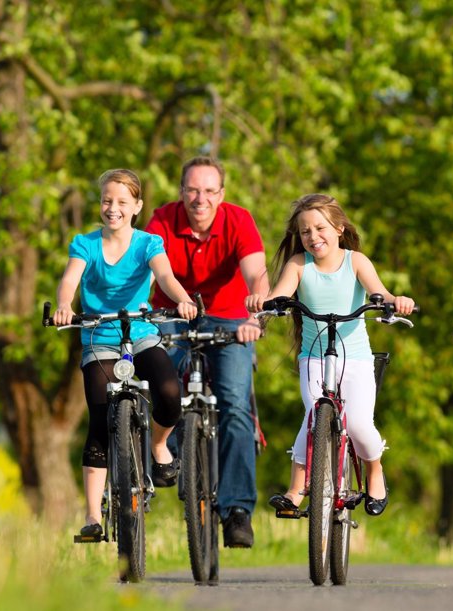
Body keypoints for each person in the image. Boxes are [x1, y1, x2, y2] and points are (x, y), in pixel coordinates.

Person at [53, 168, 198, 538]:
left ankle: (159, 445)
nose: (112, 208)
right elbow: (70, 278)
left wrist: (181, 300)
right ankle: (92, 517)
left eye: (121, 201)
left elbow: (164, 276)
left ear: (137, 206)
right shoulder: (85, 244)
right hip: (98, 337)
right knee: (100, 421)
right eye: (106, 200)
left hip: (141, 333)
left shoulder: (148, 243)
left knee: (168, 392)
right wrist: (64, 305)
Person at [250, 194, 415, 518]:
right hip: (314, 358)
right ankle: (296, 488)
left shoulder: (356, 261)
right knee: (314, 416)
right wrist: (264, 303)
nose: (313, 236)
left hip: (355, 359)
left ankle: (374, 470)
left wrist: (397, 301)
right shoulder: (299, 264)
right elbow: (280, 293)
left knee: (358, 424)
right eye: (306, 231)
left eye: (320, 228)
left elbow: (378, 291)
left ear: (339, 228)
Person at [145, 156, 269, 548]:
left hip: (231, 317)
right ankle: (173, 454)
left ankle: (236, 511)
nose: (201, 199)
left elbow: (256, 274)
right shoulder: (162, 220)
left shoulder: (239, 220)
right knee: (162, 383)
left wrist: (257, 314)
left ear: (222, 194)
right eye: (193, 190)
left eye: (209, 191)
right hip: (172, 314)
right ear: (182, 192)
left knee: (233, 402)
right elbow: (146, 268)